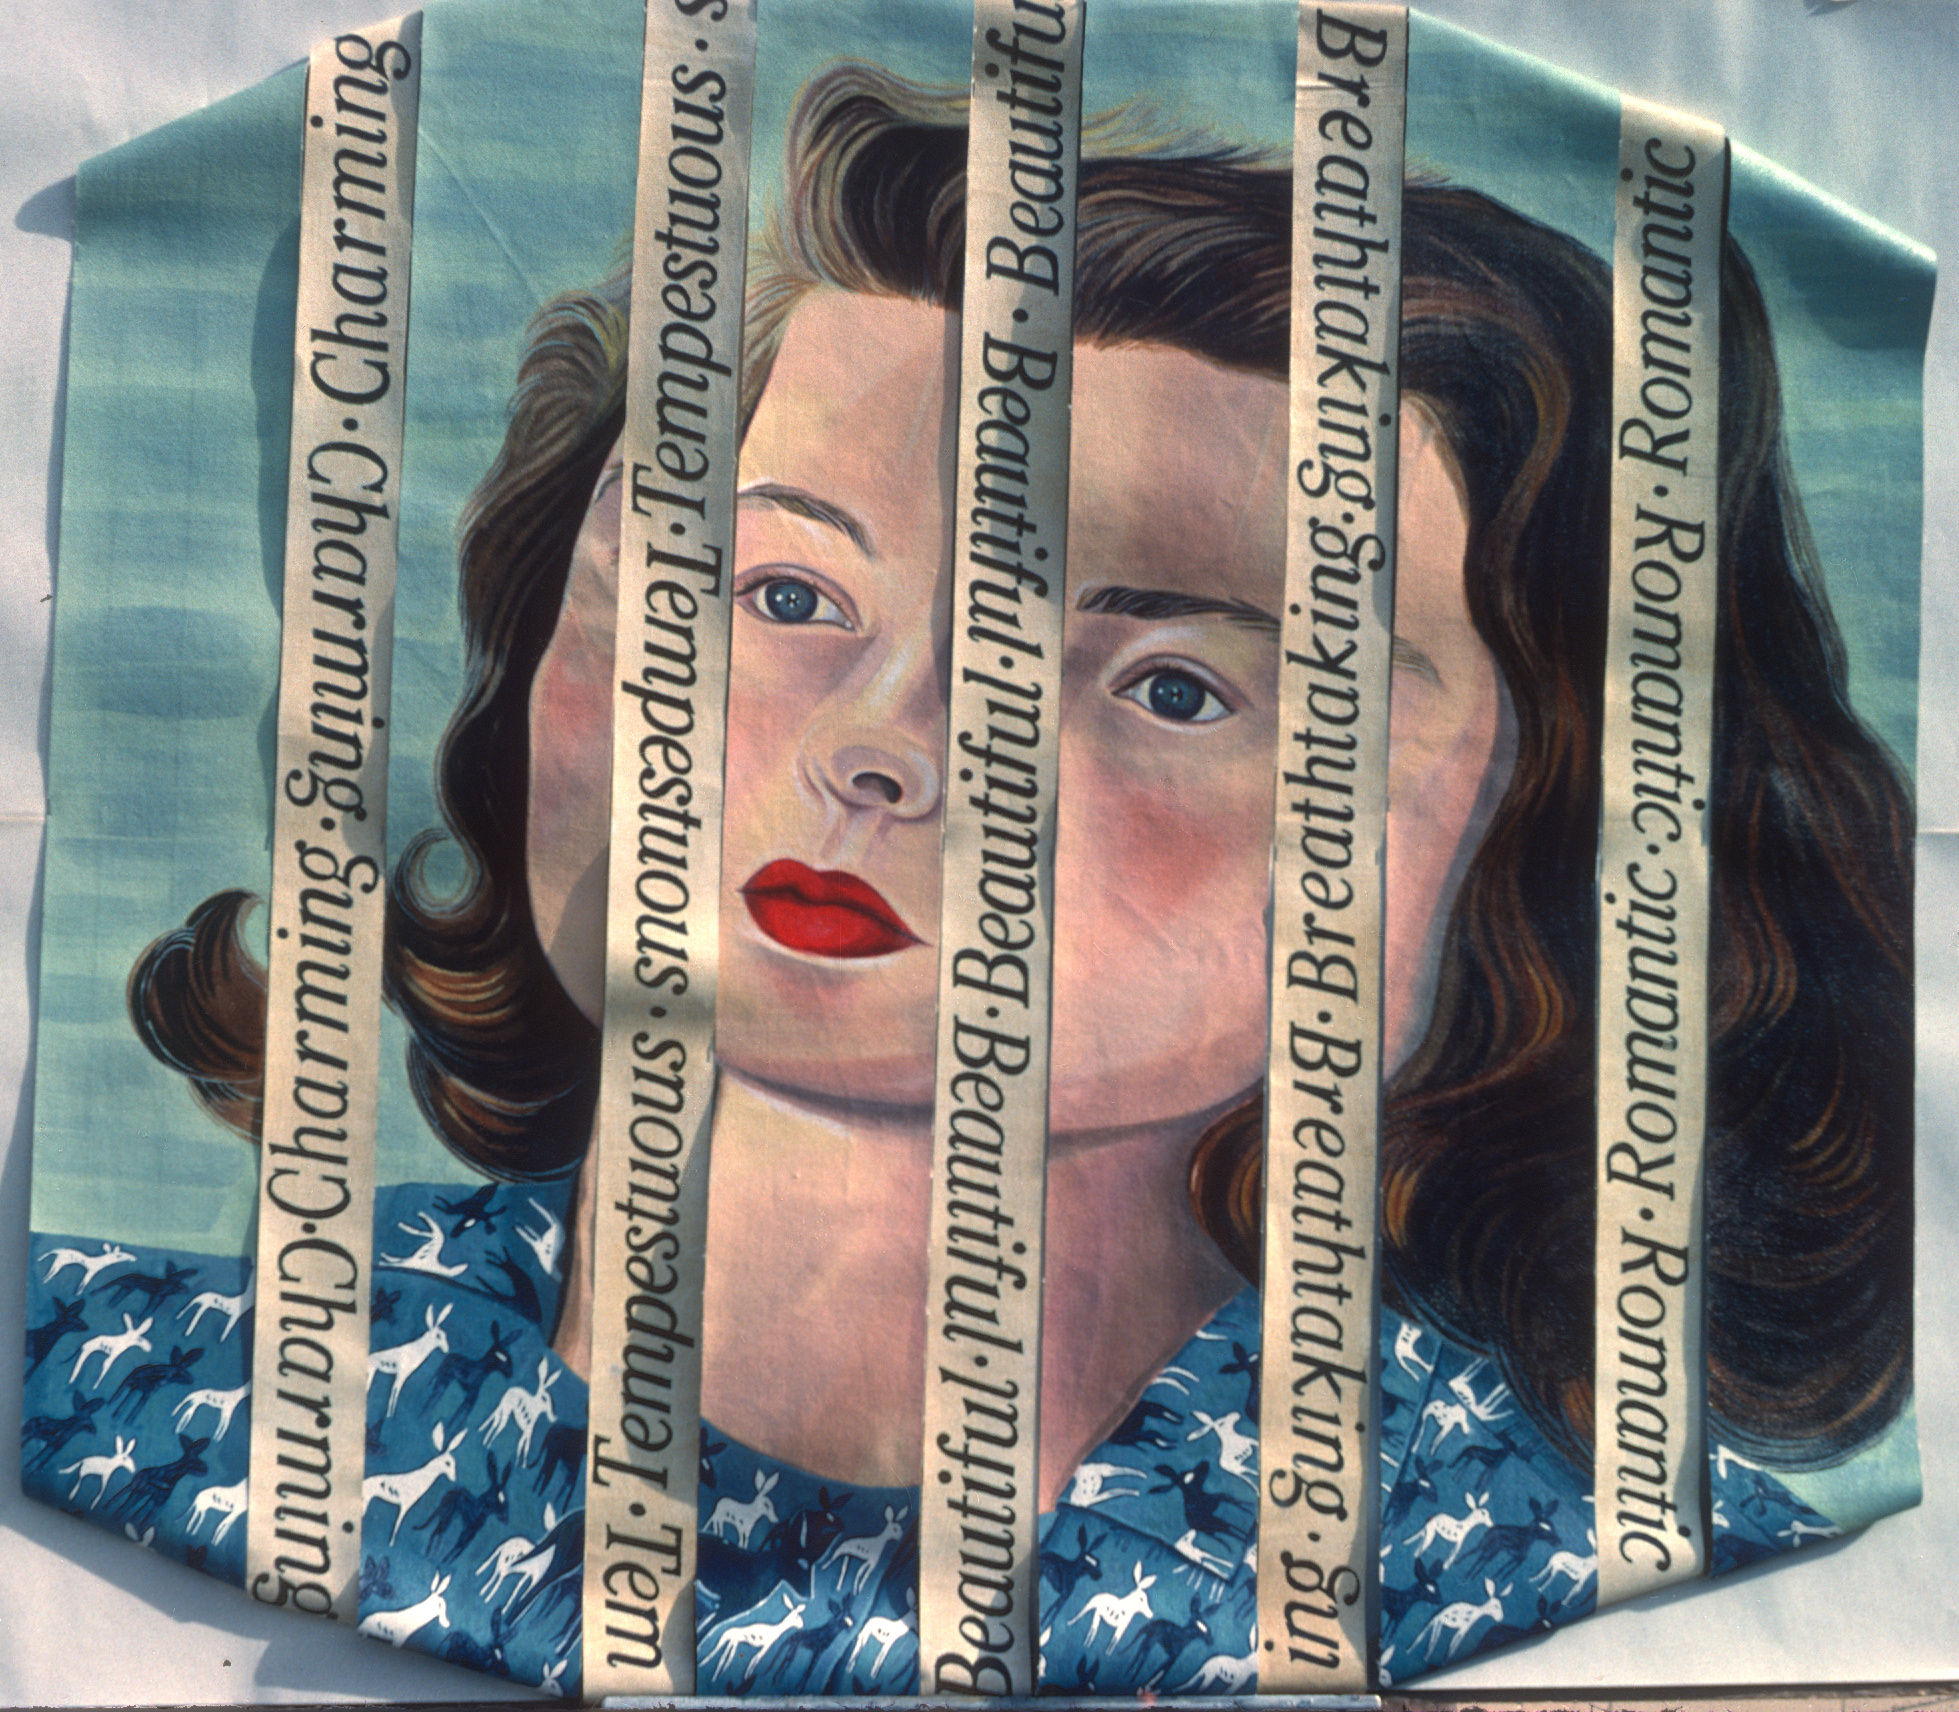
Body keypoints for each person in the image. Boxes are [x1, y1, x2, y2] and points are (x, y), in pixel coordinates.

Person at [128, 63, 1913, 1692]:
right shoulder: (131, 1385)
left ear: (1541, 839)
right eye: (786, 594)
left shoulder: (1595, 1587)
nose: (885, 745)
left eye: (1172, 686)